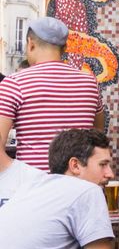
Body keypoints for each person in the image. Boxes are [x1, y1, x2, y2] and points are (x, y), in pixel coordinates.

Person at [0, 17, 103, 170]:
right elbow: (98, 135)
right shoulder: (90, 83)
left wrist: (18, 175)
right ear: (64, 48)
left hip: (34, 188)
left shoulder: (15, 83)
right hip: (79, 185)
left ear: (31, 43)